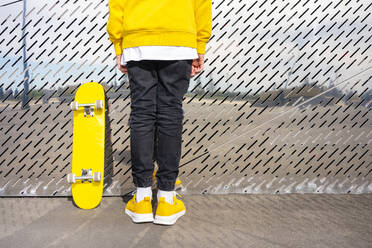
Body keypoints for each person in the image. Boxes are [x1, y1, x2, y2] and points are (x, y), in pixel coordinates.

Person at [107, 0, 212, 225]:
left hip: (138, 39)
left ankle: (143, 198)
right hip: (179, 38)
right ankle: (166, 199)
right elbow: (202, 4)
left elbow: (117, 4)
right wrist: (200, 45)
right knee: (170, 113)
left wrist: (119, 45)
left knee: (142, 113)